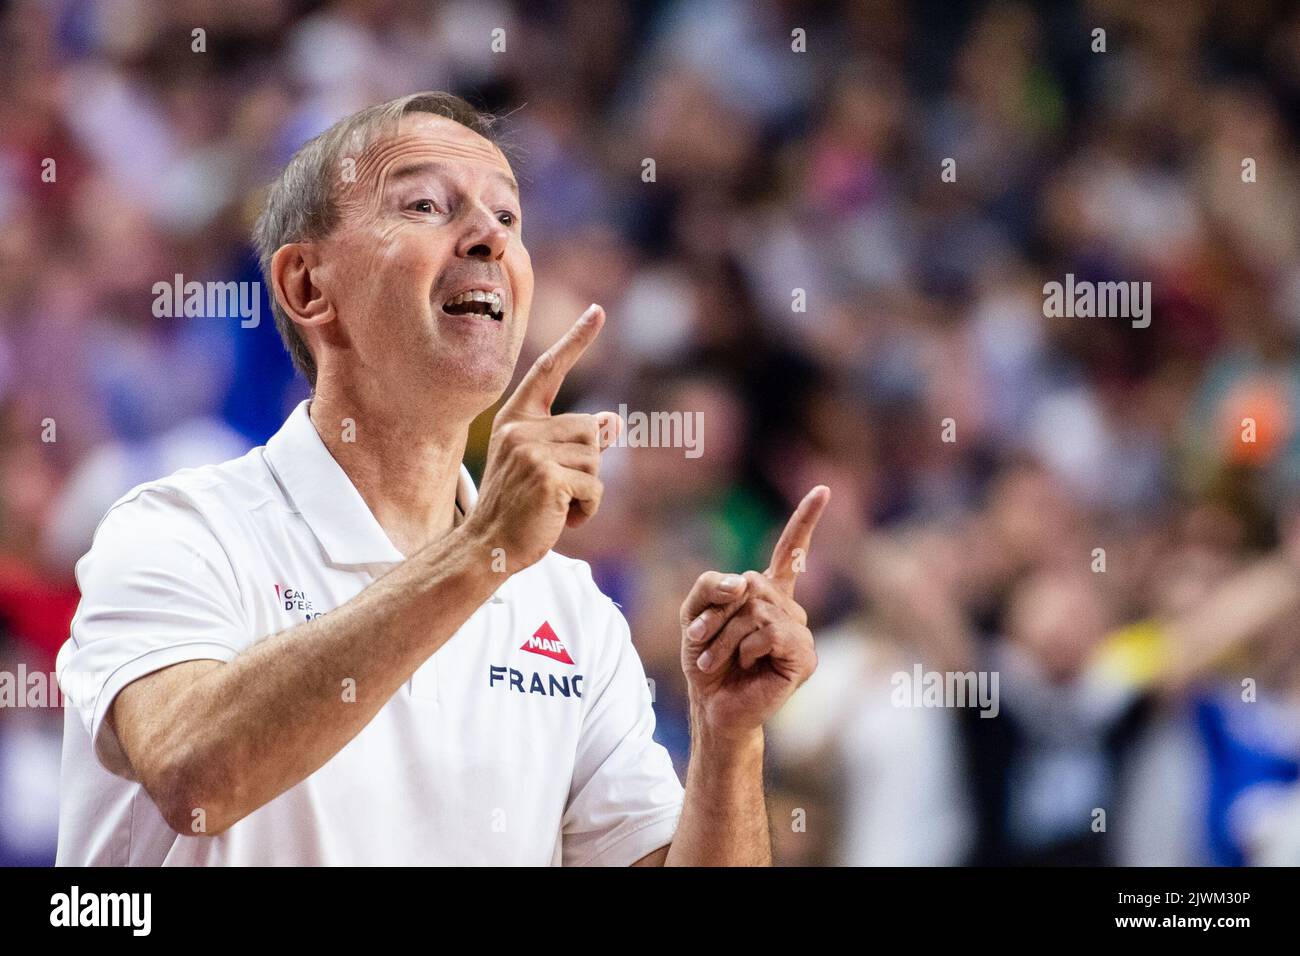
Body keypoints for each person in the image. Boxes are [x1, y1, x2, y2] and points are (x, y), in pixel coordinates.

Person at [54, 91, 828, 866]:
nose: (489, 236)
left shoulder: (572, 613)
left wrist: (727, 741)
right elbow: (194, 780)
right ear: (306, 287)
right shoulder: (176, 529)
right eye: (426, 204)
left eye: (509, 218)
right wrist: (483, 548)